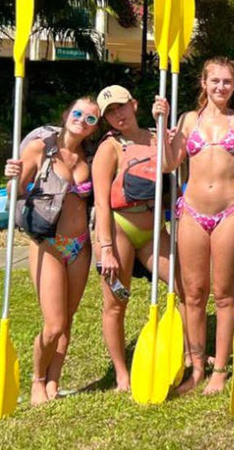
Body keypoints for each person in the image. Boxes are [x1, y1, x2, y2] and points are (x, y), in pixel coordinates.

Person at [155, 57, 234, 395]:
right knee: (194, 293)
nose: (220, 87)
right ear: (203, 82)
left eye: (227, 81)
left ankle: (220, 368)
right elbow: (169, 163)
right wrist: (161, 123)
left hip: (230, 210)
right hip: (192, 212)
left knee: (224, 293)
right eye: (214, 80)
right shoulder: (188, 120)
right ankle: (197, 365)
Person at [4, 98, 100, 405]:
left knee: (67, 321)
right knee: (54, 324)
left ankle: (54, 381)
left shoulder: (90, 157)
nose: (82, 120)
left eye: (91, 119)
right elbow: (17, 192)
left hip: (79, 246)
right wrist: (12, 177)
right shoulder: (39, 149)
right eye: (78, 113)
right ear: (66, 112)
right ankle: (37, 380)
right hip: (47, 244)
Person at [92, 85, 175, 393]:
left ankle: (186, 350)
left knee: (185, 288)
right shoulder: (109, 147)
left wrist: (168, 127)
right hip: (120, 229)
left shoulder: (157, 137)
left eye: (121, 107)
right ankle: (122, 373)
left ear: (134, 104)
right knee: (116, 302)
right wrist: (107, 249)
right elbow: (101, 202)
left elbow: (177, 165)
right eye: (110, 112)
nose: (118, 115)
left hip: (155, 230)